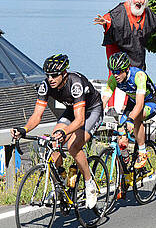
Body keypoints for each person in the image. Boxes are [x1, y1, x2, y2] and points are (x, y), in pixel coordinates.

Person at [10, 54, 103, 209]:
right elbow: (37, 115)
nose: (51, 78)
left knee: (73, 146)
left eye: (54, 75)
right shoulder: (45, 86)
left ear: (64, 74)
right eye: (48, 75)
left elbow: (80, 120)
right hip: (72, 110)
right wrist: (24, 129)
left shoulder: (75, 84)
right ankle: (61, 181)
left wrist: (65, 132)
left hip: (92, 110)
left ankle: (89, 184)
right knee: (53, 142)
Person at [94, 0, 156, 109]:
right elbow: (110, 18)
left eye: (142, 0)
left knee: (134, 72)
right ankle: (110, 106)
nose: (139, 2)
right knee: (115, 69)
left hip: (134, 46)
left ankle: (129, 104)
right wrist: (106, 22)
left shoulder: (146, 13)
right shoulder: (121, 9)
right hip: (116, 44)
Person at [102, 52, 156, 173]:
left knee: (136, 118)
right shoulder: (113, 79)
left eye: (118, 72)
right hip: (132, 102)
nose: (115, 75)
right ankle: (124, 170)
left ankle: (142, 152)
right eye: (113, 71)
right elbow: (104, 100)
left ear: (127, 69)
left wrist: (131, 119)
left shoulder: (138, 76)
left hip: (149, 102)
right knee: (121, 132)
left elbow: (139, 104)